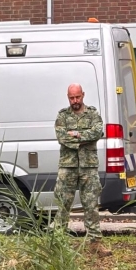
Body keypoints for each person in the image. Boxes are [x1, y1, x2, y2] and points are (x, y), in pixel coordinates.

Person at [54, 83, 105, 242]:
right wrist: (84, 138)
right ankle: (58, 240)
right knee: (63, 204)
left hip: (88, 166)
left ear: (83, 95)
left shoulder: (93, 114)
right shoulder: (62, 116)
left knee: (91, 205)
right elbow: (62, 137)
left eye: (77, 97)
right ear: (67, 97)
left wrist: (76, 135)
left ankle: (95, 241)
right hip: (67, 166)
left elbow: (97, 132)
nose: (75, 100)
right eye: (71, 98)